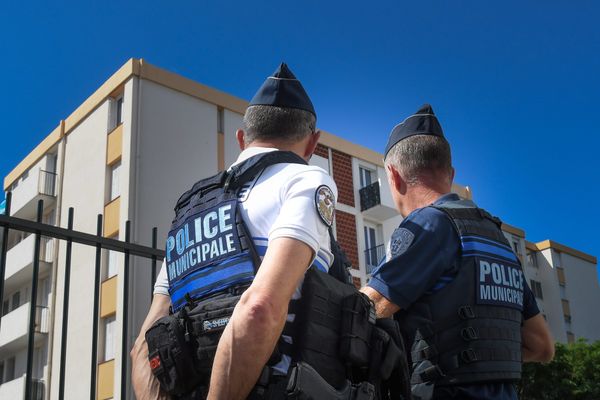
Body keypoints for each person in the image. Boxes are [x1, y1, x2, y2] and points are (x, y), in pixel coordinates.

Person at [131, 64, 382, 400]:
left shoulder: (189, 214)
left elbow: (144, 346)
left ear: (241, 139)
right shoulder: (304, 179)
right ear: (312, 144)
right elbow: (260, 307)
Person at [361, 104, 555, 400]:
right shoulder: (499, 242)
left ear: (394, 176)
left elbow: (367, 310)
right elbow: (542, 347)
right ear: (450, 173)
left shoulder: (428, 224)